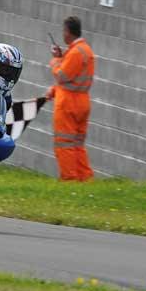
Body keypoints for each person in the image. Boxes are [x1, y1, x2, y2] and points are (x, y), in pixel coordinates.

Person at [46, 16, 95, 181]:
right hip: (82, 102)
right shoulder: (85, 50)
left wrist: (55, 60)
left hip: (68, 105)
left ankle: (69, 180)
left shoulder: (75, 52)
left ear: (68, 32)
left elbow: (61, 75)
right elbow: (73, 80)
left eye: (63, 31)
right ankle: (84, 178)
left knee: (64, 144)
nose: (63, 34)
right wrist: (54, 90)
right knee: (77, 144)